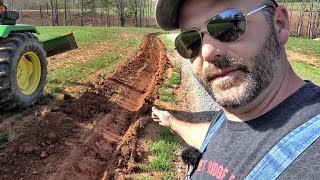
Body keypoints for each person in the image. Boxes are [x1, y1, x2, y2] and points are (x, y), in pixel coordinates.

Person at [152, 0, 320, 179]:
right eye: (191, 41)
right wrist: (172, 123)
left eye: (229, 25)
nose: (207, 52)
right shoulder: (231, 118)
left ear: (279, 25)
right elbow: (222, 141)